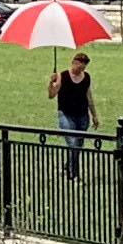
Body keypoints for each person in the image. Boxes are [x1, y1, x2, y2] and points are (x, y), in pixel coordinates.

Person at [49, 49, 95, 181]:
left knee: (78, 146)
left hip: (82, 116)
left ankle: (67, 166)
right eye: (79, 66)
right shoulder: (62, 76)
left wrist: (94, 115)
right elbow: (51, 95)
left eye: (84, 67)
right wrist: (51, 83)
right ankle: (73, 175)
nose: (80, 70)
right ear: (73, 63)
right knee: (73, 143)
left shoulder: (86, 77)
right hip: (65, 115)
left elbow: (89, 97)